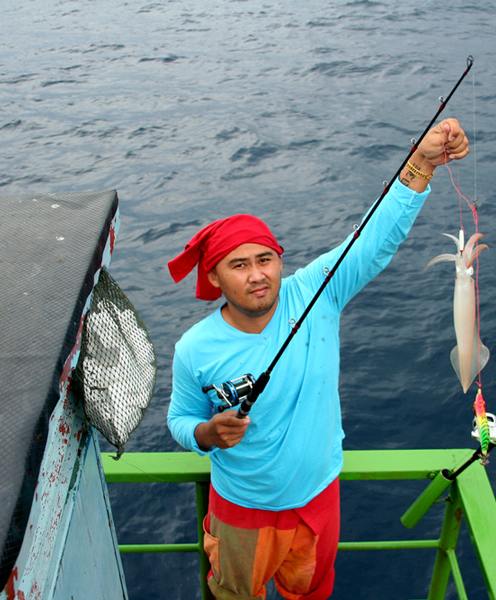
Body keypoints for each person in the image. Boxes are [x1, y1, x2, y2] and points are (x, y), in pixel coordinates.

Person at [166, 118, 469, 600]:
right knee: (235, 595)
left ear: (280, 261)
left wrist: (422, 164)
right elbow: (180, 418)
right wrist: (204, 433)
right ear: (216, 278)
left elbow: (372, 239)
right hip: (241, 508)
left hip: (320, 499)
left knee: (311, 594)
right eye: (239, 266)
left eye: (265, 259)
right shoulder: (194, 348)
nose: (257, 276)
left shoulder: (314, 293)